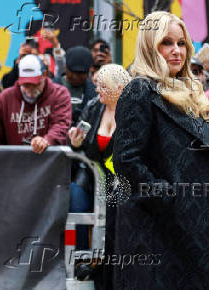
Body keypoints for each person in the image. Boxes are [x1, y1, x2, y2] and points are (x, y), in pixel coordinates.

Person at [111, 11, 209, 289]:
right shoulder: (139, 90)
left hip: (196, 222)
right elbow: (125, 158)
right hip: (158, 227)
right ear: (150, 46)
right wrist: (164, 194)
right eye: (167, 43)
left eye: (182, 43)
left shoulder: (190, 90)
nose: (177, 51)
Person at [68, 64, 131, 281]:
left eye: (102, 86)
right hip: (91, 174)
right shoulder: (94, 106)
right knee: (76, 205)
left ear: (119, 88)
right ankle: (82, 262)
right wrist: (75, 142)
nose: (96, 91)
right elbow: (81, 141)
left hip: (122, 180)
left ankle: (113, 270)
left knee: (115, 225)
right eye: (96, 85)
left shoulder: (133, 111)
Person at [0, 54, 71, 153]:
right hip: (14, 162)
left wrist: (47, 140)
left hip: (48, 161)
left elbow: (61, 124)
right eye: (25, 84)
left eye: (35, 84)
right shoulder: (5, 99)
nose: (30, 89)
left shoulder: (59, 94)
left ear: (44, 75)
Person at [54, 46, 97, 124]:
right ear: (65, 68)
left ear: (89, 72)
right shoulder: (52, 89)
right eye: (73, 72)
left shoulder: (95, 93)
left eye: (81, 73)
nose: (76, 77)